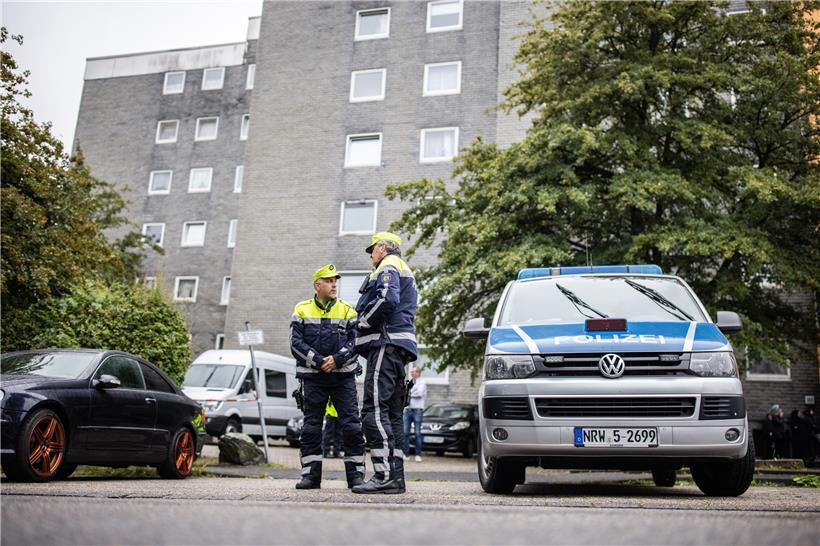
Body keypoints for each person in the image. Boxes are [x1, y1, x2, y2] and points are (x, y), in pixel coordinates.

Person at [352, 232, 418, 495]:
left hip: (385, 344)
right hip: (396, 348)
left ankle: (383, 475)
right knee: (391, 414)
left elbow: (386, 300)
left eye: (372, 250)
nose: (371, 255)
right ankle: (395, 478)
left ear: (382, 248)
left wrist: (362, 322)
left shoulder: (388, 266)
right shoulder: (403, 269)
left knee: (373, 410)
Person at [290, 264, 365, 490]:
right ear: (317, 285)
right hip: (313, 378)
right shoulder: (301, 309)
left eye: (336, 281)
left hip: (343, 377)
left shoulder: (347, 310)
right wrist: (320, 361)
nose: (334, 285)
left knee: (352, 425)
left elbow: (356, 342)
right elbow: (295, 343)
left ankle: (356, 477)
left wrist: (337, 359)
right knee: (312, 427)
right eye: (329, 280)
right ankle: (310, 477)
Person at [403, 366, 427, 462]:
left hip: (418, 410)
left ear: (418, 373)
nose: (412, 373)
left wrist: (409, 393)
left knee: (417, 433)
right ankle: (406, 453)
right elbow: (405, 392)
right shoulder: (410, 381)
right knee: (405, 433)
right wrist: (410, 391)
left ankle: (418, 454)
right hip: (408, 410)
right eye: (411, 372)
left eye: (414, 372)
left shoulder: (422, 382)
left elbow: (419, 393)